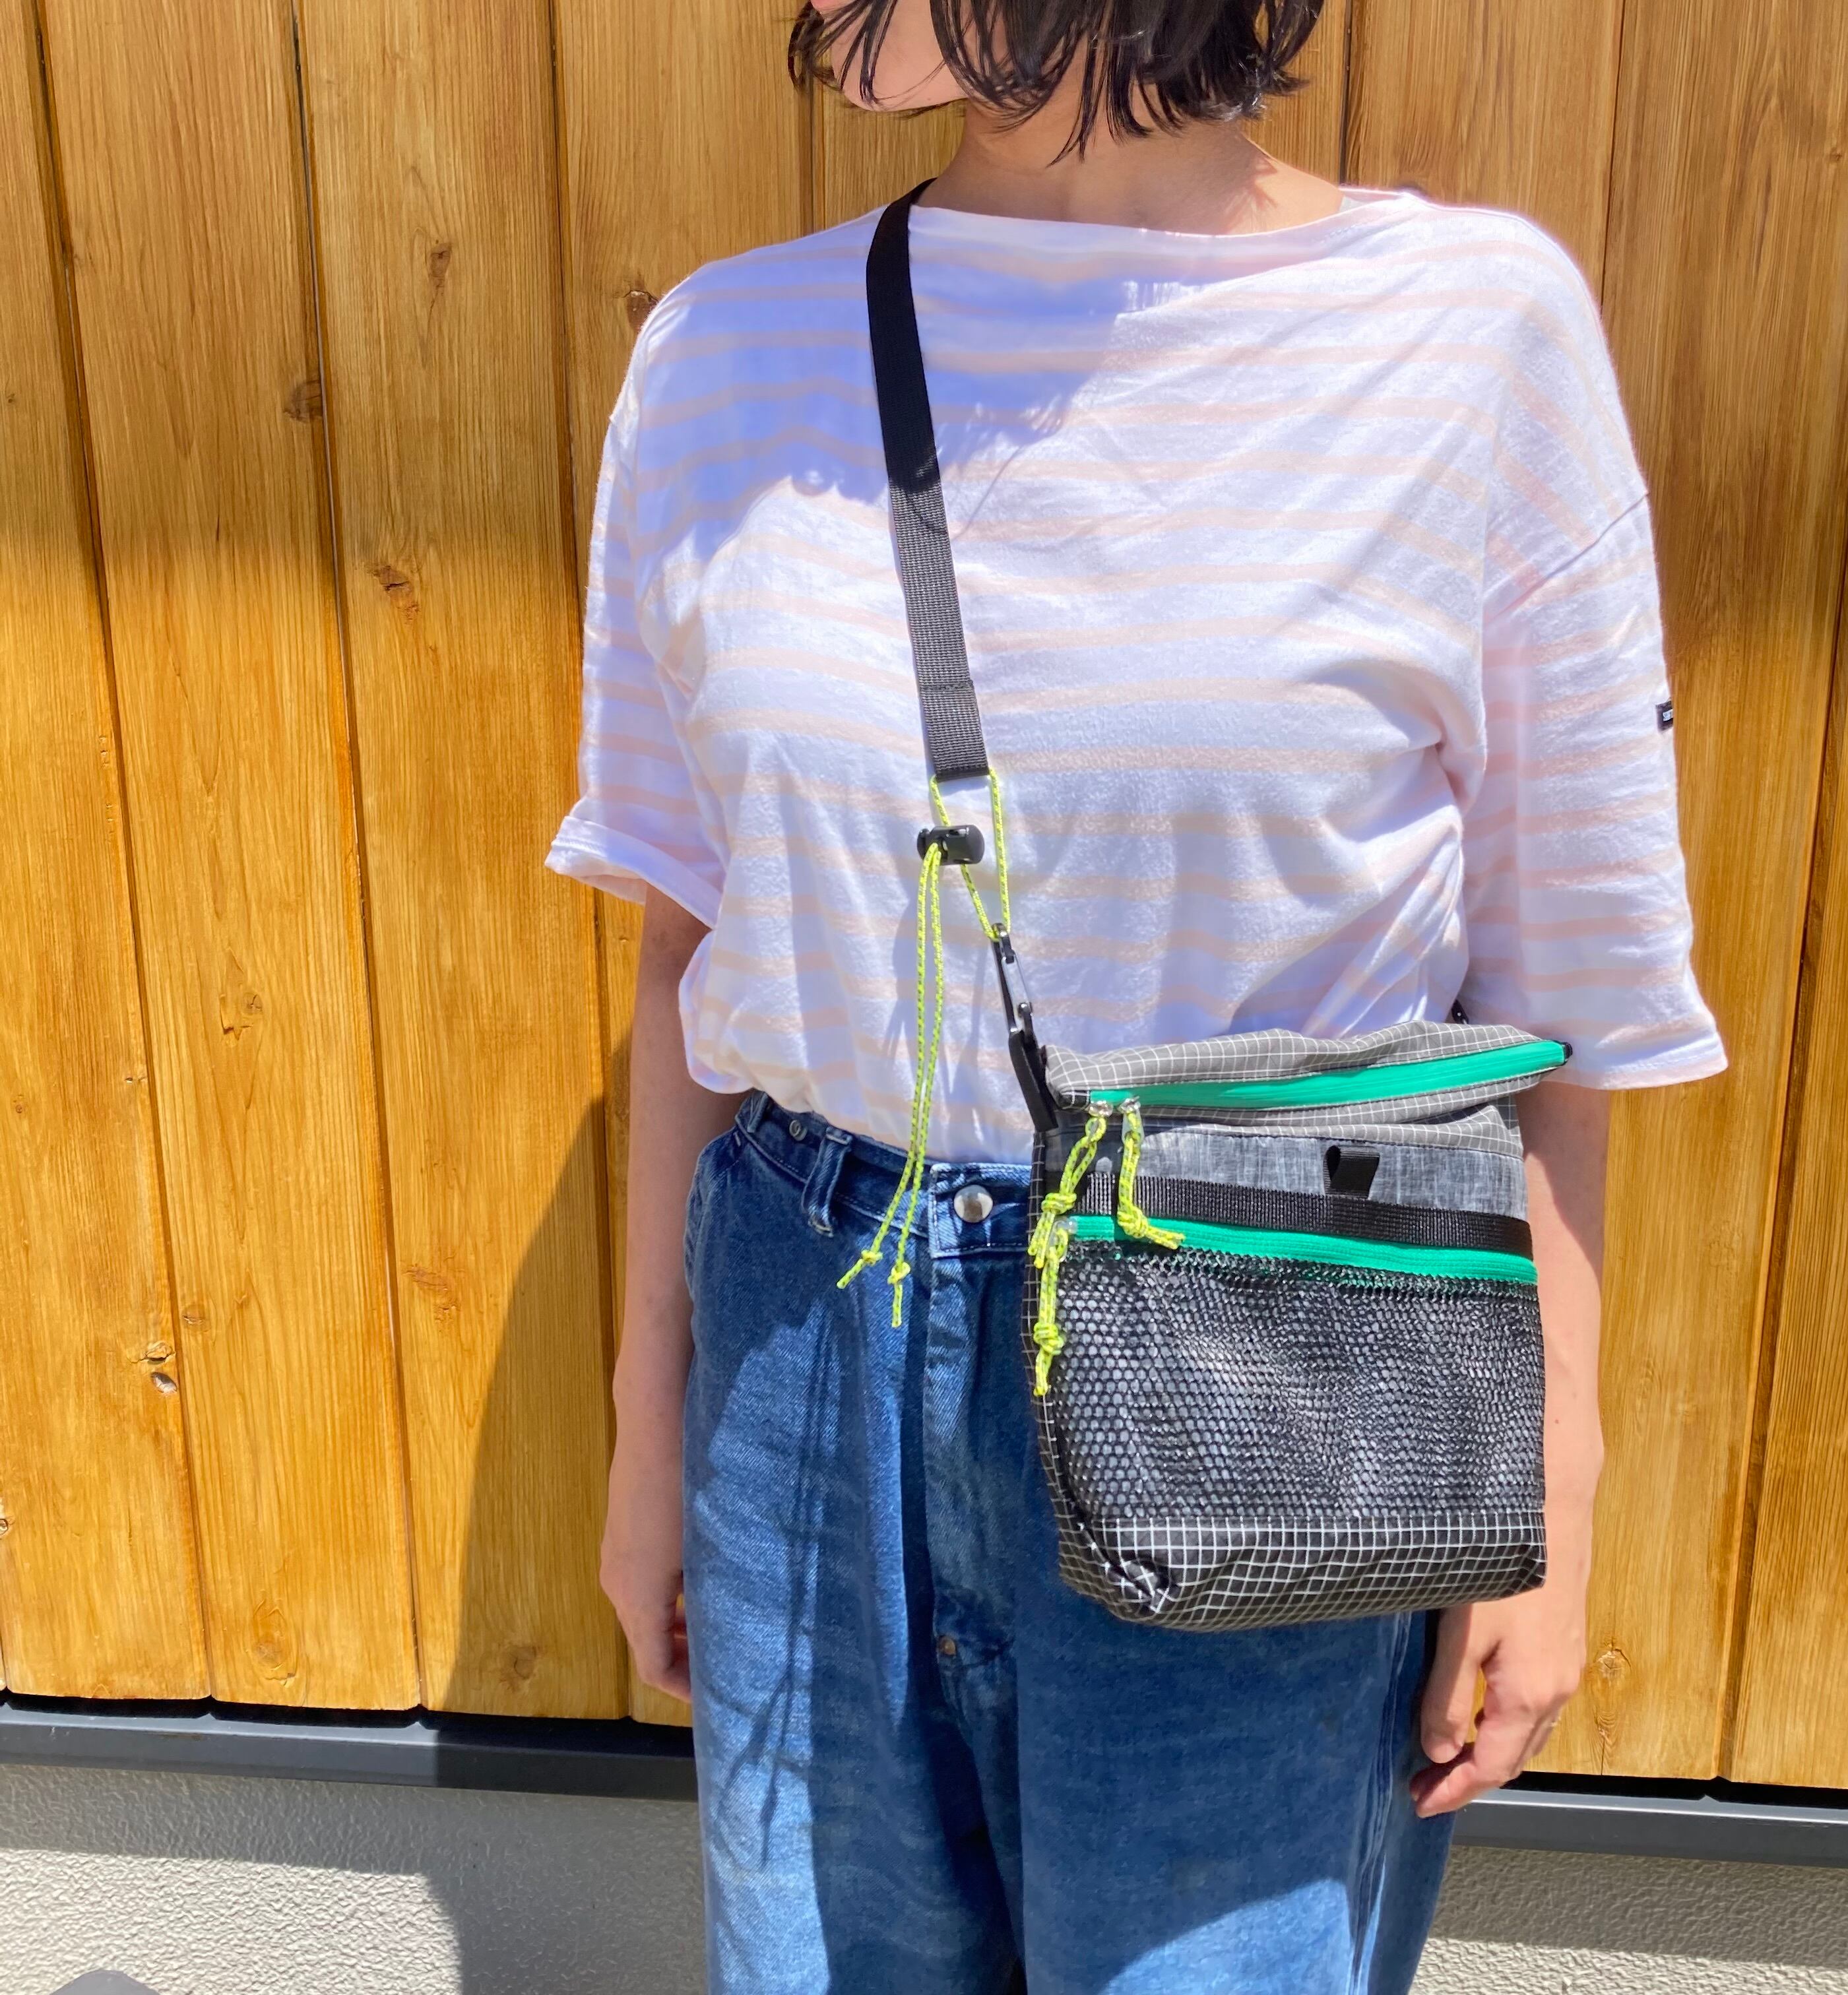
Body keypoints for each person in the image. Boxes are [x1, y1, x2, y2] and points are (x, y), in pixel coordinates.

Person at [546, 0, 1726, 1987]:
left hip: (1265, 1334)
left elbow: (1565, 997)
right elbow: (690, 941)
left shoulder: (1467, 336)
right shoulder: (724, 356)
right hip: (804, 1341)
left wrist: (1555, 1481)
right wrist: (648, 1425)